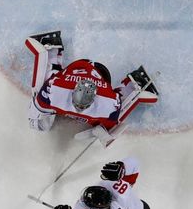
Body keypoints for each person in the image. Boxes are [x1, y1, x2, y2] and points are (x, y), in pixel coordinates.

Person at [25, 30, 158, 145]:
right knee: (44, 88)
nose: (78, 109)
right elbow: (39, 102)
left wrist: (105, 130)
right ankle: (52, 48)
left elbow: (116, 112)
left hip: (101, 73)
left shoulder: (106, 102)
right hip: (77, 67)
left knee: (114, 115)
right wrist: (36, 116)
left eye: (82, 108)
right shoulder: (57, 90)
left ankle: (136, 83)